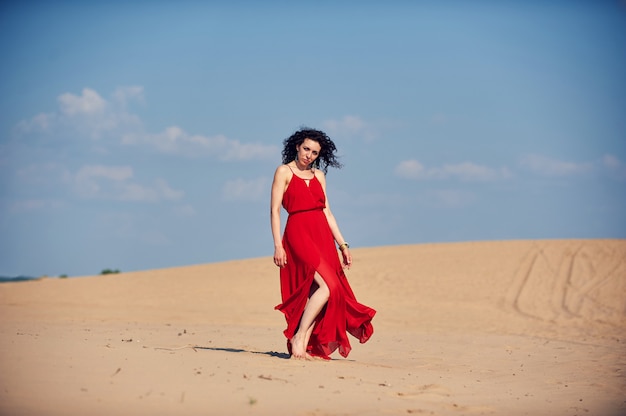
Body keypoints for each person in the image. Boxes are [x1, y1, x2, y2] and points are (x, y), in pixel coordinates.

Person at [270, 127, 376, 360]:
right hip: (298, 234)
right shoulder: (284, 172)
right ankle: (298, 336)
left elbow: (328, 213)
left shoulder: (319, 176)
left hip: (322, 236)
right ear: (297, 146)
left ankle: (303, 344)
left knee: (320, 290)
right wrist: (278, 245)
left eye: (314, 152)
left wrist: (343, 244)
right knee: (330, 287)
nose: (309, 155)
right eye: (306, 149)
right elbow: (275, 210)